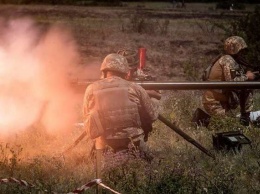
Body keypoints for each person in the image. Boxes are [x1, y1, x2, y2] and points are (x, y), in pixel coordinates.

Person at [82, 53, 159, 167]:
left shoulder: (91, 89)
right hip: (131, 141)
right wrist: (153, 99)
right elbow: (152, 115)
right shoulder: (135, 88)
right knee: (150, 163)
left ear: (104, 71)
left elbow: (85, 117)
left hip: (103, 143)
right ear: (125, 72)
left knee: (96, 169)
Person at [202, 36, 255, 126]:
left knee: (233, 123)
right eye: (241, 50)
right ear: (235, 49)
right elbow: (232, 82)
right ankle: (203, 122)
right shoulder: (227, 60)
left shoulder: (229, 59)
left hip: (219, 101)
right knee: (232, 125)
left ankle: (244, 118)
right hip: (214, 103)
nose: (242, 53)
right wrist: (247, 76)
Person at [117, 48, 162, 140]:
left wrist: (141, 92)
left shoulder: (141, 76)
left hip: (136, 110)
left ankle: (143, 132)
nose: (128, 73)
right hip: (117, 111)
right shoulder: (113, 75)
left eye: (131, 69)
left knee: (153, 103)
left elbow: (158, 95)